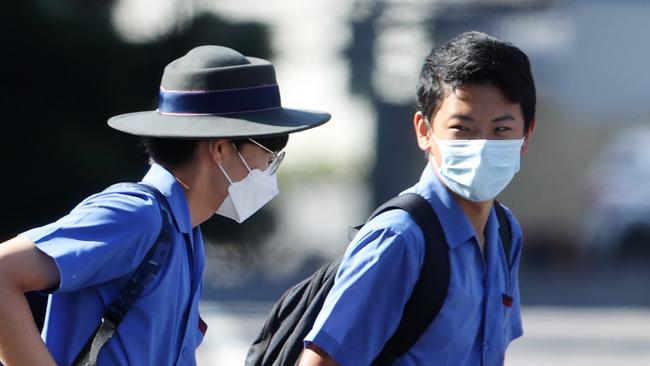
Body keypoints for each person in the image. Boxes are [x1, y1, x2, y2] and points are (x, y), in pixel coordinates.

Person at [0, 45, 330, 365]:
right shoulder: (136, 216)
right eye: (271, 147)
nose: (272, 164)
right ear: (221, 150)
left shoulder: (184, 231)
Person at [299, 31, 536, 366]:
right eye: (462, 128)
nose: (481, 145)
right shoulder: (400, 238)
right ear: (425, 131)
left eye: (501, 130)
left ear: (526, 136)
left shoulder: (505, 231)